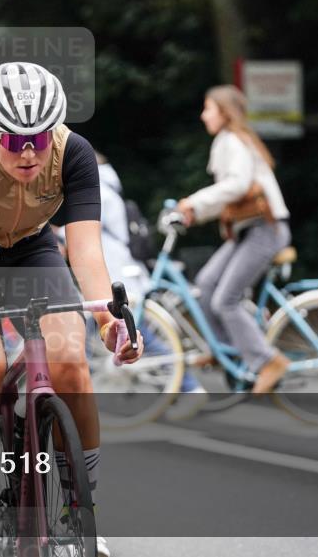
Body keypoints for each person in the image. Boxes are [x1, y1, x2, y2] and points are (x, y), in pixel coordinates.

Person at [0, 62, 143, 557]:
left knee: (70, 363)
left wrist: (110, 320)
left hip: (33, 248)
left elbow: (85, 251)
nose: (27, 152)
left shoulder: (75, 153)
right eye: (13, 140)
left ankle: (77, 513)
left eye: (39, 141)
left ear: (55, 134)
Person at [177, 85, 292, 395]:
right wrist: (193, 211)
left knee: (224, 299)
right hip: (247, 231)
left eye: (208, 109)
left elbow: (237, 185)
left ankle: (268, 361)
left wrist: (194, 203)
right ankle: (228, 349)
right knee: (205, 284)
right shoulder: (227, 141)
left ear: (224, 113)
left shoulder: (233, 141)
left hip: (265, 230)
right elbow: (228, 194)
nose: (203, 115)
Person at [93, 153, 208, 419]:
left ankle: (189, 387)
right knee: (98, 331)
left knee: (137, 332)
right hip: (117, 274)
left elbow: (78, 232)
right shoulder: (110, 190)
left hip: (119, 275)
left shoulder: (99, 193)